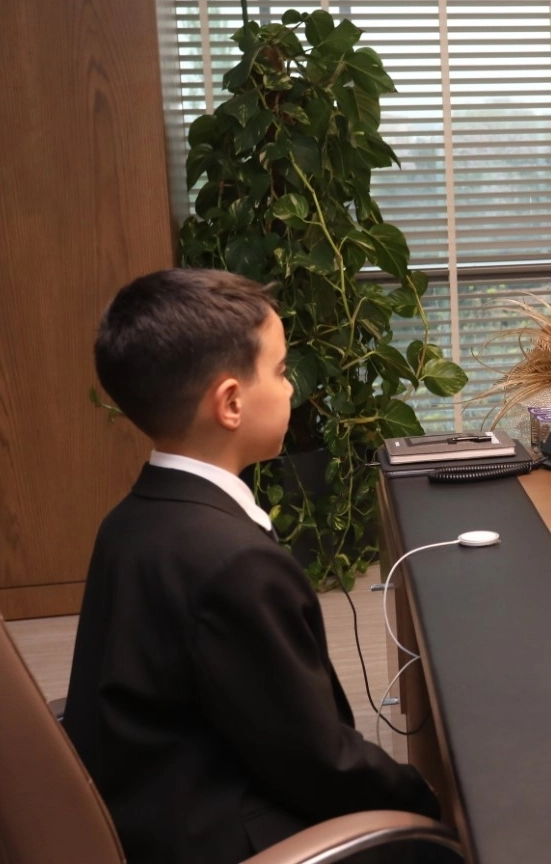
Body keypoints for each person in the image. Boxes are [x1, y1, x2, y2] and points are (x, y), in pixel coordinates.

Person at [63, 269, 450, 864]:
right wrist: (434, 800)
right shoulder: (233, 563)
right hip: (219, 836)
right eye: (281, 370)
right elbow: (318, 762)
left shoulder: (130, 519)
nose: (292, 388)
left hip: (151, 807)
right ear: (231, 403)